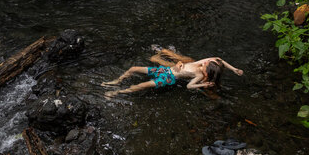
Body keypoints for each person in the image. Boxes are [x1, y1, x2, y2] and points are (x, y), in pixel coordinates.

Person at [101, 49, 243, 98]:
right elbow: (220, 60)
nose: (204, 63)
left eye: (206, 65)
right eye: (206, 62)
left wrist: (203, 84)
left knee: (142, 85)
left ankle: (116, 92)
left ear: (208, 72)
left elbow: (188, 87)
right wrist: (235, 69)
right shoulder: (207, 63)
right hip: (166, 70)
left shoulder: (200, 76)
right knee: (133, 68)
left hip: (169, 77)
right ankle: (116, 81)